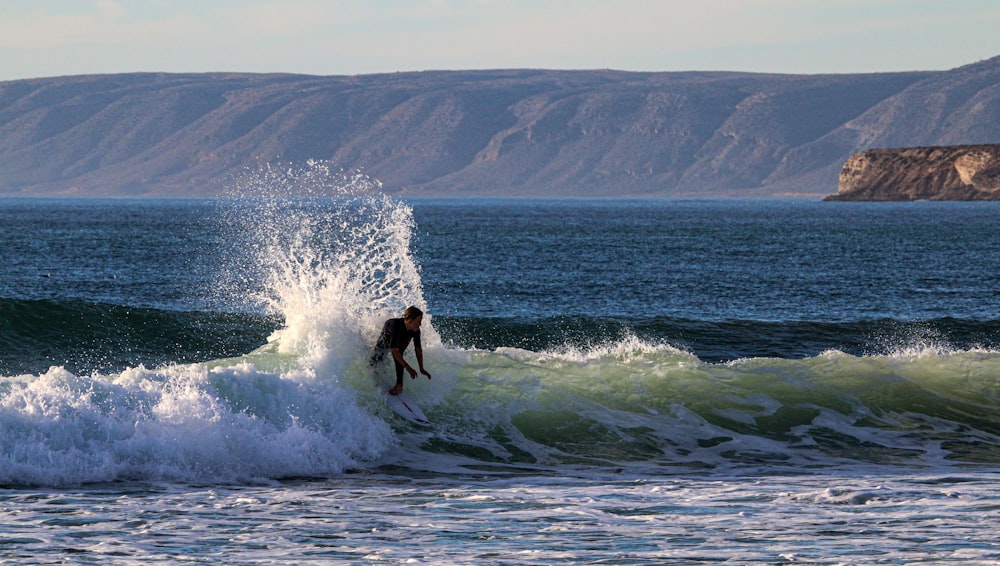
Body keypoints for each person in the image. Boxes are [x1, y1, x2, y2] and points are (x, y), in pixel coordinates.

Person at [370, 306, 432, 395]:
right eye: (418, 321)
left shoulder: (416, 331)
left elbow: (418, 349)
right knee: (375, 361)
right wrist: (408, 367)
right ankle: (375, 373)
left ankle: (399, 385)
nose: (420, 324)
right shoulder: (394, 325)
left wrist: (421, 368)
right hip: (385, 342)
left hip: (401, 342)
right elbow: (394, 351)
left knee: (400, 354)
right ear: (410, 321)